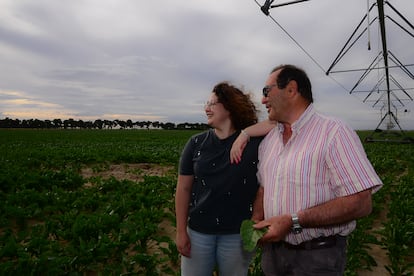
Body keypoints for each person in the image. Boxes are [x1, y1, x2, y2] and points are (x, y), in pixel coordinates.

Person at [231, 64, 383, 275]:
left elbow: (361, 202)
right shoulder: (269, 141)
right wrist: (257, 220)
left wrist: (293, 221)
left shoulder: (334, 132)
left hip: (317, 257)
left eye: (267, 91)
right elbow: (264, 188)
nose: (263, 100)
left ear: (291, 89)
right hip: (273, 255)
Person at [175, 82, 264, 276]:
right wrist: (181, 231)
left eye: (212, 103)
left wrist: (246, 134)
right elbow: (183, 189)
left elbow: (280, 123)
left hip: (236, 235)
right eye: (206, 103)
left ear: (229, 107)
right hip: (198, 232)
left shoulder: (254, 144)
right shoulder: (196, 143)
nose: (206, 108)